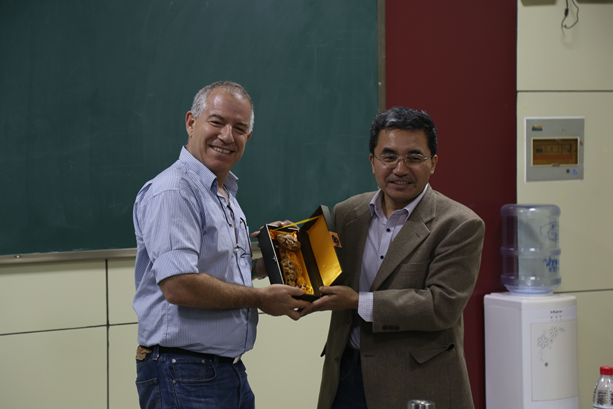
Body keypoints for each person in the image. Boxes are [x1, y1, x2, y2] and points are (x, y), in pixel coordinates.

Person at [132, 81, 310, 409]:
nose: (227, 136)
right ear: (191, 122)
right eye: (217, 122)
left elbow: (216, 269)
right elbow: (179, 285)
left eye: (239, 128)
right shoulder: (175, 191)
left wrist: (270, 261)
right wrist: (261, 299)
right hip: (183, 373)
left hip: (223, 371)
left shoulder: (223, 192)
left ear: (248, 137)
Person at [301, 107, 485, 409]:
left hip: (416, 381)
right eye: (389, 157)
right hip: (345, 374)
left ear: (433, 163)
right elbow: (321, 272)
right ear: (372, 161)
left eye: (414, 157)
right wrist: (285, 243)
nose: (400, 169)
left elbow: (441, 306)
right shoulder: (347, 214)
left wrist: (357, 302)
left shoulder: (459, 224)